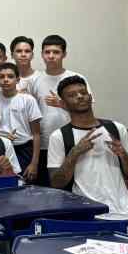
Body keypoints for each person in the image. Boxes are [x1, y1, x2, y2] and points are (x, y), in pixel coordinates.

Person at [48, 76, 128, 244]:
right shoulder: (59, 136)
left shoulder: (117, 129)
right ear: (64, 104)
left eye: (83, 92)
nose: (80, 96)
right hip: (89, 217)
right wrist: (74, 153)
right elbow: (56, 183)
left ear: (90, 97)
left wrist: (122, 154)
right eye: (73, 95)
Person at [27, 35, 90, 186]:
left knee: (72, 187)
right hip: (44, 144)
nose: (51, 56)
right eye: (47, 52)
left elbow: (87, 109)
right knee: (46, 189)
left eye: (56, 52)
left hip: (73, 142)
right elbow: (30, 114)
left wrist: (62, 104)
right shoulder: (35, 80)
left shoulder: (76, 78)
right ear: (42, 54)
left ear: (64, 54)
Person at [0, 63, 41, 182]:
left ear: (17, 79)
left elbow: (36, 134)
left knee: (22, 185)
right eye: (2, 76)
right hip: (0, 148)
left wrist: (34, 163)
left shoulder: (28, 100)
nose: (6, 80)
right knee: (1, 184)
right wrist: (1, 136)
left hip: (24, 149)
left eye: (10, 76)